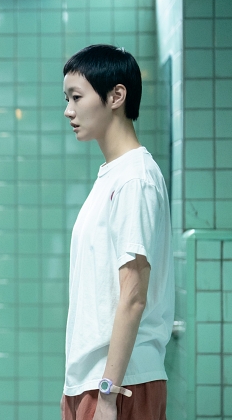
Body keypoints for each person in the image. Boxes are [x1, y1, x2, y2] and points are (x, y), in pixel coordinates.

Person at [61, 45, 174, 420]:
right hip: (96, 381)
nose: (68, 111)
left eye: (77, 97)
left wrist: (108, 395)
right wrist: (77, 389)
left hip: (121, 384)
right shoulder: (114, 176)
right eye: (67, 99)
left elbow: (133, 296)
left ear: (116, 96)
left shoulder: (134, 179)